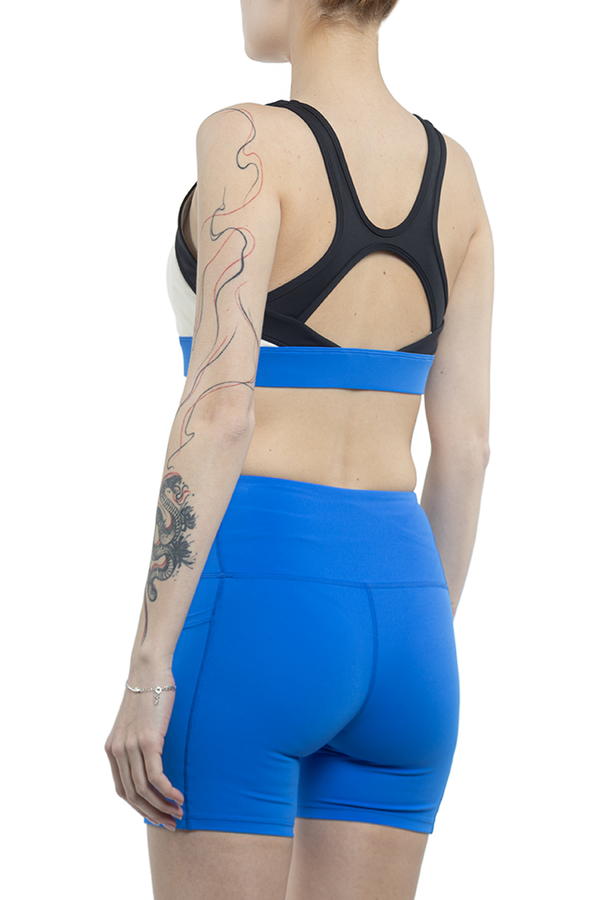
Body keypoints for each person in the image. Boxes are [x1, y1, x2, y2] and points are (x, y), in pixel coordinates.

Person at [104, 0, 493, 897]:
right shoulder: (457, 174)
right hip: (411, 623)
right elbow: (467, 448)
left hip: (261, 596)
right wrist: (404, 635)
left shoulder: (247, 140)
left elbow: (221, 410)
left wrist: (148, 665)